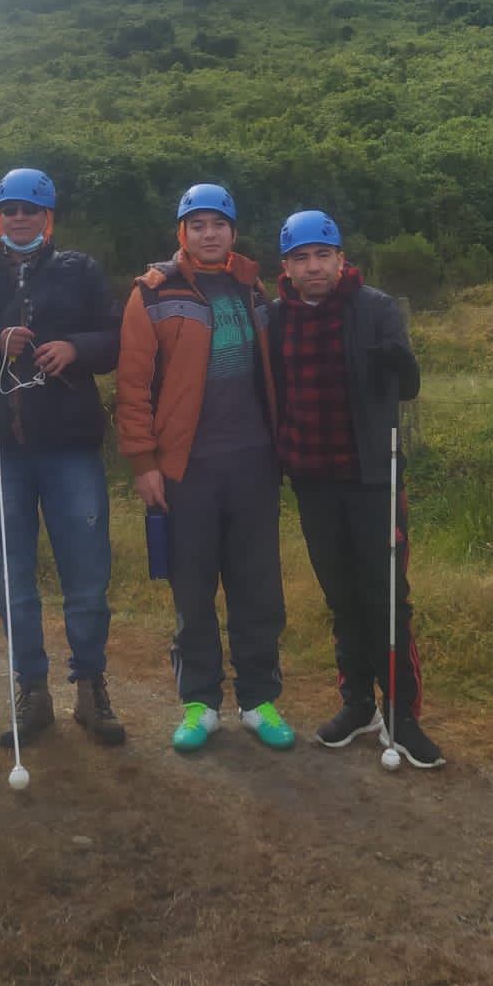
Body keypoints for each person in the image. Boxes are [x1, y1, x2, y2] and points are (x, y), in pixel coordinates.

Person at [0, 168, 125, 747]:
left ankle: (91, 689)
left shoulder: (81, 269)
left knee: (87, 573)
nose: (21, 218)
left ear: (49, 218)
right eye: (11, 209)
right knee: (12, 576)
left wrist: (78, 347)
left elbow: (117, 337)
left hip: (71, 446)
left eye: (32, 210)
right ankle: (33, 690)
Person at [116, 183, 294, 753]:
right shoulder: (152, 292)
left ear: (233, 232)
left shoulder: (253, 287)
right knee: (192, 589)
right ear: (182, 234)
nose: (209, 233)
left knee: (257, 586)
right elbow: (132, 385)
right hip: (185, 467)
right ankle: (199, 702)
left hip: (254, 462)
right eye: (197, 224)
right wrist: (145, 464)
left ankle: (258, 699)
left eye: (219, 223)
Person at [270, 208, 444, 770]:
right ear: (287, 267)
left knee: (386, 597)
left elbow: (408, 385)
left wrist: (400, 362)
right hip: (313, 480)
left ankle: (403, 716)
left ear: (340, 259)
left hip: (373, 477)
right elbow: (271, 393)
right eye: (301, 258)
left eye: (323, 255)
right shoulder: (272, 320)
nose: (313, 266)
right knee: (341, 598)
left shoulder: (376, 308)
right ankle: (357, 705)